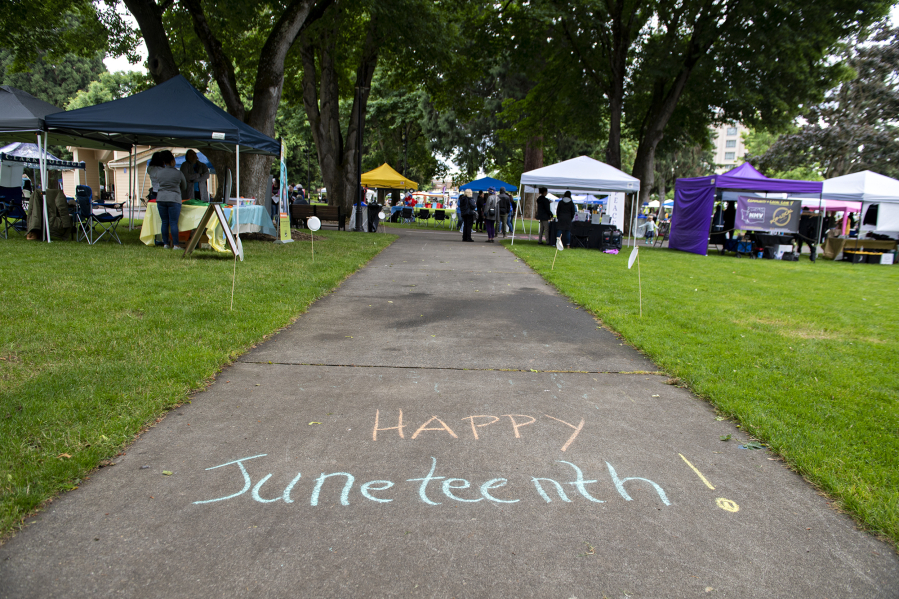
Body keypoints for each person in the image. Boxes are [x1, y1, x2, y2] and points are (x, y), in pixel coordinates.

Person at [156, 150, 188, 249]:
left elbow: (158, 184)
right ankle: (176, 244)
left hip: (161, 198)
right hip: (174, 198)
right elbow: (184, 186)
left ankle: (165, 243)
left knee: (164, 222)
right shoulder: (178, 173)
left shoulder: (159, 172)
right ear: (173, 160)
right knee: (174, 222)